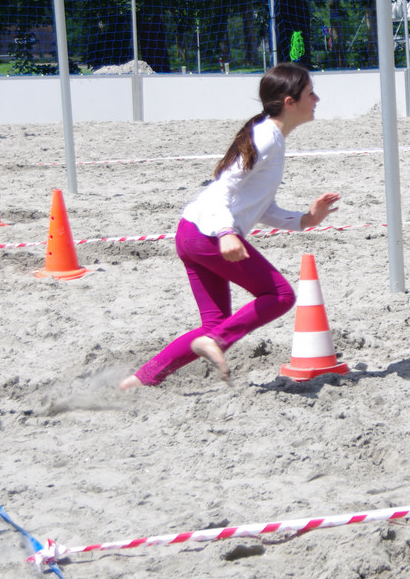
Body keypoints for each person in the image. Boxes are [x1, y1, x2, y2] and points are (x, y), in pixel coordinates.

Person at [120, 63, 340, 390]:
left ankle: (140, 381)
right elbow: (223, 186)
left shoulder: (272, 137)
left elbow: (261, 207)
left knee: (215, 324)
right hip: (208, 234)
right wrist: (225, 232)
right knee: (280, 295)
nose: (317, 99)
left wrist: (306, 219)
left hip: (192, 231)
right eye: (311, 93)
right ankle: (216, 342)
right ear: (290, 102)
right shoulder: (267, 137)